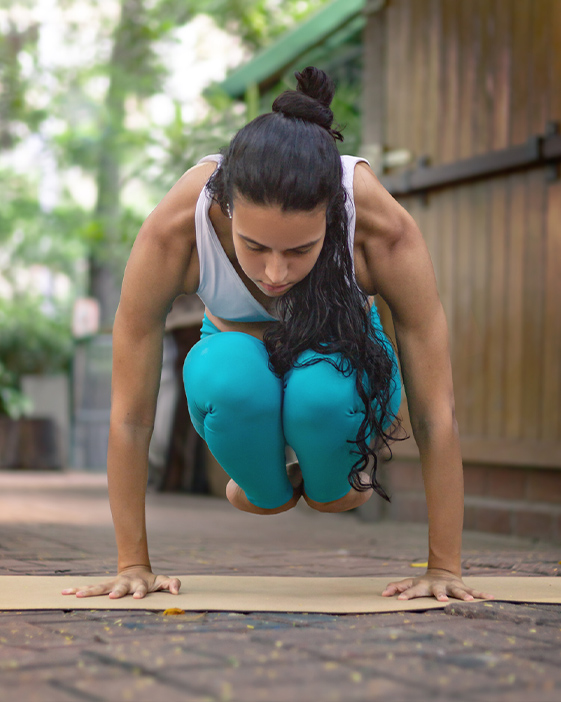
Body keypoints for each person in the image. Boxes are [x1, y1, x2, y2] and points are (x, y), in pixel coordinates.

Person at [62, 67, 492, 604]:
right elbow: (129, 414)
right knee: (229, 376)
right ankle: (264, 489)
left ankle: (333, 483)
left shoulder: (381, 229)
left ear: (333, 218)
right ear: (225, 207)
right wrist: (133, 564)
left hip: (346, 367)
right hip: (239, 367)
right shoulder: (179, 228)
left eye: (299, 250)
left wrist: (444, 567)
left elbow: (435, 411)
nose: (275, 273)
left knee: (322, 395)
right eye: (254, 245)